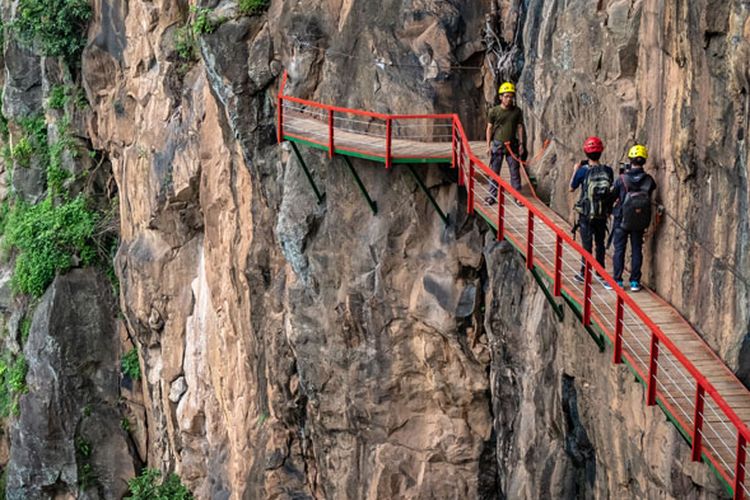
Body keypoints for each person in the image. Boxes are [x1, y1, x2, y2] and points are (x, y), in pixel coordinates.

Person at [569, 136, 614, 289]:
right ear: (601, 152)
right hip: (602, 213)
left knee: (587, 245)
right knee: (600, 243)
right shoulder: (608, 170)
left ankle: (584, 273)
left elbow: (571, 187)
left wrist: (575, 171)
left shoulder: (582, 171)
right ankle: (600, 273)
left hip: (586, 214)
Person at [611, 144, 657, 292]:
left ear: (630, 159)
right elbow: (651, 190)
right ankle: (635, 282)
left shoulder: (622, 178)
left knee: (619, 249)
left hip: (622, 219)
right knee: (637, 249)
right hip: (639, 220)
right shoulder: (649, 180)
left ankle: (617, 280)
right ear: (644, 160)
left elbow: (613, 195)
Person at [485, 82, 526, 204]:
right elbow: (489, 128)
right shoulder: (494, 111)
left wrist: (521, 144)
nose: (509, 99)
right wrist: (488, 146)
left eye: (511, 96)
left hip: (512, 145)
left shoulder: (517, 111)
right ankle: (491, 196)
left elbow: (519, 127)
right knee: (494, 171)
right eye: (506, 96)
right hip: (498, 144)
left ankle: (517, 196)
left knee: (515, 171)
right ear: (501, 97)